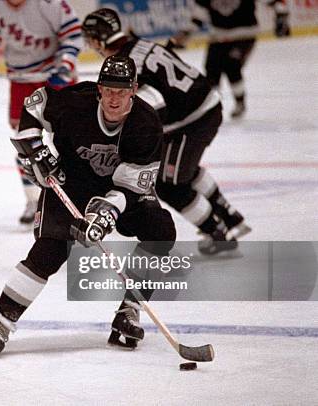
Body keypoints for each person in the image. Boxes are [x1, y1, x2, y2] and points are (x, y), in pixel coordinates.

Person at [0, 56, 177, 359]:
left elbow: (132, 187)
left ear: (134, 89)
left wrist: (104, 215)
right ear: (99, 89)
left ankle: (130, 309)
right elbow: (33, 105)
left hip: (119, 191)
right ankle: (1, 323)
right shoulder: (74, 104)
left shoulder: (146, 125)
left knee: (161, 231)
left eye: (122, 91)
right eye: (108, 89)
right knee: (49, 251)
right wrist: (35, 151)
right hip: (70, 182)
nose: (114, 98)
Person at [81, 8, 251, 255]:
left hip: (193, 118)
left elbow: (154, 104)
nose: (89, 44)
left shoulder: (126, 63)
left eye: (89, 38)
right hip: (203, 106)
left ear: (98, 40)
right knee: (182, 169)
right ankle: (230, 216)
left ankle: (217, 232)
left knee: (166, 182)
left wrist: (132, 134)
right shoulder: (138, 43)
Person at [0, 0, 83, 225]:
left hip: (55, 77)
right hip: (21, 81)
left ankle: (82, 193)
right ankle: (34, 201)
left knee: (70, 140)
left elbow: (73, 34)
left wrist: (66, 63)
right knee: (25, 142)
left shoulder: (49, 4)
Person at [172, 0, 290, 118]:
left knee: (232, 65)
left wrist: (282, 16)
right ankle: (213, 106)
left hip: (244, 35)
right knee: (212, 69)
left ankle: (240, 102)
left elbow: (275, 2)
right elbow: (199, 16)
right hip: (219, 36)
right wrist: (186, 33)